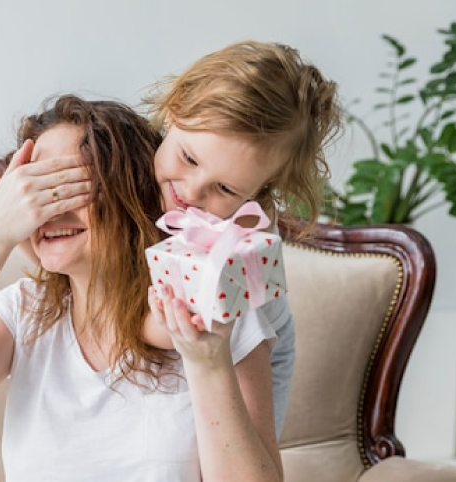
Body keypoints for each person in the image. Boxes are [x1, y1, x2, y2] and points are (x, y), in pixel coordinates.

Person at [0, 94, 284, 481]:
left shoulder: (208, 311)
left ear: (130, 190)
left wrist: (207, 360)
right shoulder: (25, 313)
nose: (48, 208)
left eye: (68, 185)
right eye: (33, 191)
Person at [139, 40, 343, 440]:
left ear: (261, 188)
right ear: (174, 108)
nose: (193, 191)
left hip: (236, 408)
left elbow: (160, 331)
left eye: (226, 188)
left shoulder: (241, 255)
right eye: (189, 158)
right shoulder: (135, 169)